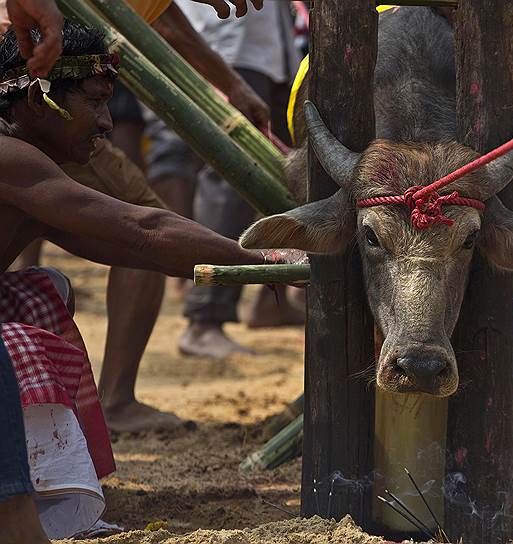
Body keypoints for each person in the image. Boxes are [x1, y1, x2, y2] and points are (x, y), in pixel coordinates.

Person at [0, 22, 294, 538]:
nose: (107, 123)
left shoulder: (35, 175)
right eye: (94, 101)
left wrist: (248, 262)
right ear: (36, 98)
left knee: (46, 291)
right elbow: (142, 229)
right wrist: (261, 255)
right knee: (16, 340)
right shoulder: (12, 159)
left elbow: (133, 246)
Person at [144, 0, 304, 358]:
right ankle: (205, 318)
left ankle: (270, 302)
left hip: (272, 45)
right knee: (232, 177)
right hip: (228, 43)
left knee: (285, 172)